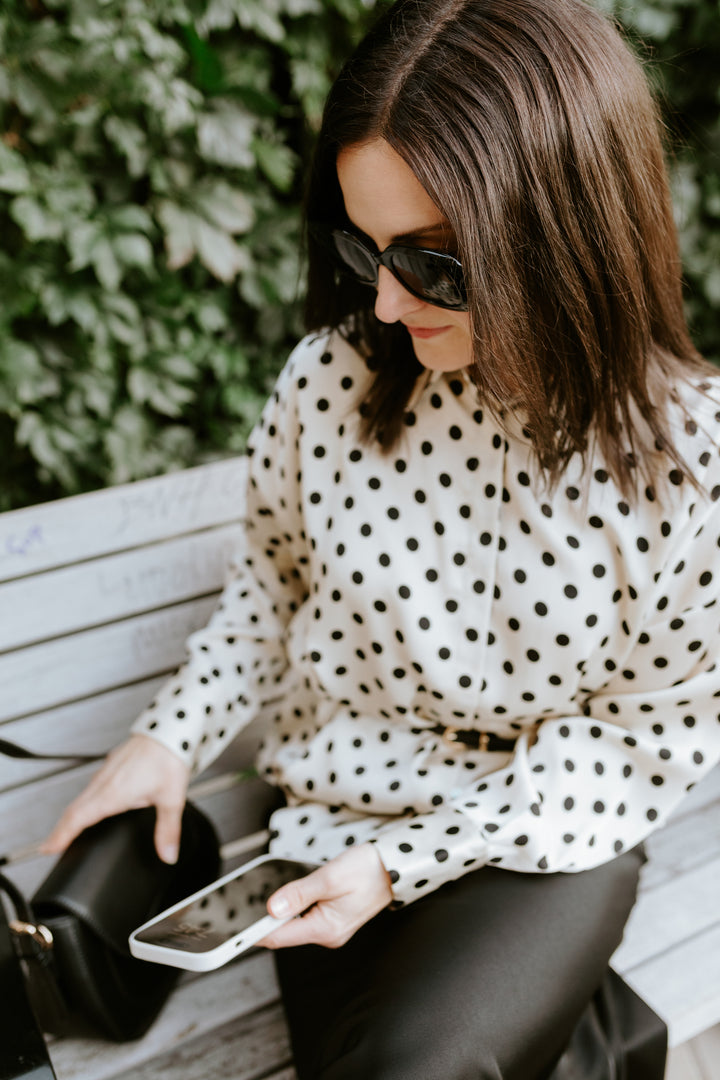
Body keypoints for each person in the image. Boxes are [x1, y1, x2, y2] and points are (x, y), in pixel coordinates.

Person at [45, 0, 720, 1077]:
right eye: (368, 250)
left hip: (541, 837)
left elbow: (639, 735)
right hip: (328, 829)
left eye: (437, 265)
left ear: (567, 235)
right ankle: (610, 1042)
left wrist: (403, 867)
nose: (392, 304)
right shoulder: (334, 382)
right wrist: (168, 738)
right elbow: (270, 590)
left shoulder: (693, 457)